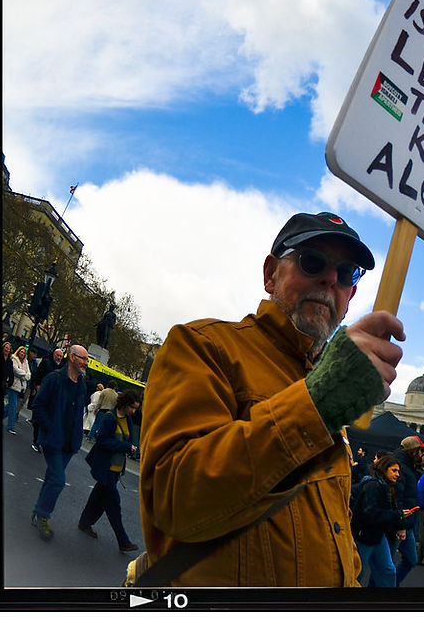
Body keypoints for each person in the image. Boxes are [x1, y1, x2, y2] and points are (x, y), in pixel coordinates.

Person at [139, 211, 404, 586]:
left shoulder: (323, 382)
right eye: (312, 262)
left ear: (351, 294)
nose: (331, 279)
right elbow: (174, 501)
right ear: (270, 274)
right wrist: (318, 403)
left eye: (346, 273)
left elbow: (335, 532)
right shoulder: (202, 345)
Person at [30, 344, 91, 541]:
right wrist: (50, 428)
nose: (86, 363)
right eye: (83, 358)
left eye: (87, 359)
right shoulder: (54, 379)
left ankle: (38, 510)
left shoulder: (82, 384)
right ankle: (43, 515)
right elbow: (38, 406)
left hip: (70, 443)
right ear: (71, 358)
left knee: (51, 478)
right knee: (58, 479)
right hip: (53, 440)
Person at [77, 391, 141, 552]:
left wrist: (132, 448)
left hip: (116, 469)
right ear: (125, 404)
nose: (134, 411)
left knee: (98, 499)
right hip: (106, 468)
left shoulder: (127, 419)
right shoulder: (109, 418)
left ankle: (85, 523)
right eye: (133, 407)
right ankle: (123, 540)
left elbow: (128, 441)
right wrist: (126, 447)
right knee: (114, 504)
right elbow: (103, 441)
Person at [350, 453, 414, 587]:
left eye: (398, 471)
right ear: (384, 469)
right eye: (394, 470)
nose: (397, 474)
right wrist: (397, 515)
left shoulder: (386, 487)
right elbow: (370, 513)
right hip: (365, 537)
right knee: (356, 574)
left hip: (378, 536)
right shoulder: (373, 486)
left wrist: (398, 518)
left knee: (388, 571)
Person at [391, 435, 424, 584]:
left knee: (410, 560)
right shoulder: (401, 469)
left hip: (407, 523)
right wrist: (401, 526)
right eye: (421, 451)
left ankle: (391, 584)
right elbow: (397, 498)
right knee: (386, 564)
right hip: (400, 523)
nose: (423, 454)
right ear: (413, 452)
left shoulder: (410, 469)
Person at [28, 347, 64, 452]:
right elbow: (38, 375)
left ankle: (41, 440)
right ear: (54, 355)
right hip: (43, 393)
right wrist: (37, 387)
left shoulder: (62, 367)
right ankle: (36, 441)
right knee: (39, 420)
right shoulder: (46, 362)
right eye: (58, 355)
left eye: (61, 356)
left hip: (53, 398)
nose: (59, 358)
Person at [5, 344, 31, 434]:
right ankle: (11, 426)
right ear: (18, 351)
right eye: (21, 351)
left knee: (10, 406)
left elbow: (29, 375)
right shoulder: (14, 359)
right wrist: (25, 375)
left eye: (24, 352)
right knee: (13, 406)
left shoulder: (25, 362)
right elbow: (15, 371)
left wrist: (23, 375)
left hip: (21, 387)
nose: (22, 353)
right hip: (13, 385)